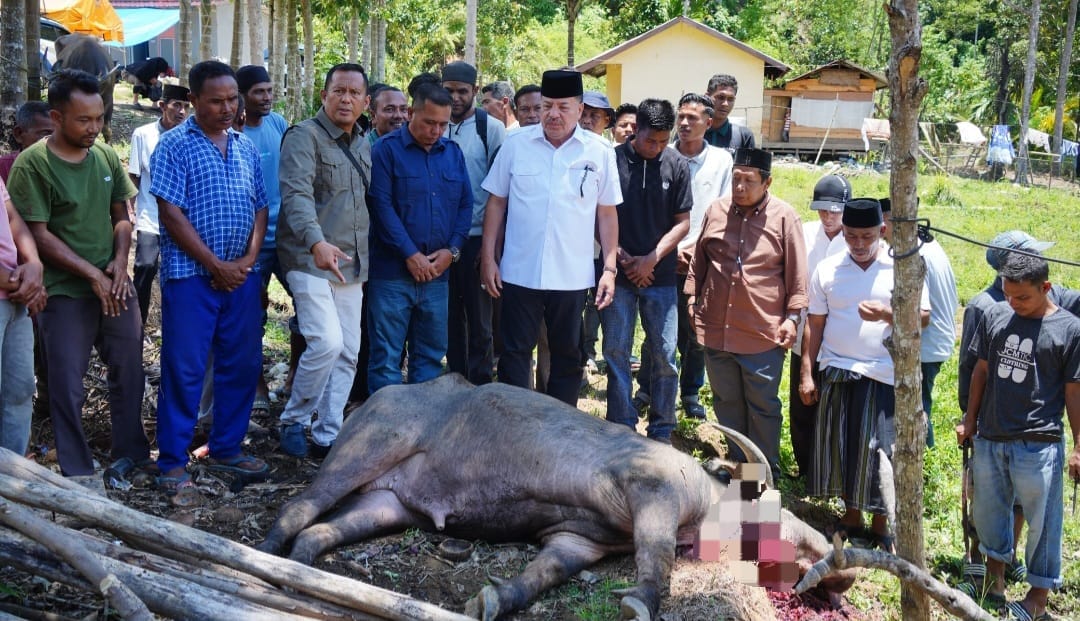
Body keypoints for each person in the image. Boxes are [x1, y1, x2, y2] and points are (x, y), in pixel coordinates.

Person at [7, 69, 151, 483]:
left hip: (113, 284)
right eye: (83, 120)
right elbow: (38, 234)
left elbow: (121, 216)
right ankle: (77, 469)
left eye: (100, 117)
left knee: (129, 368)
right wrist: (91, 274)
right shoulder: (32, 165)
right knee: (66, 382)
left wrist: (119, 264)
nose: (94, 127)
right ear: (56, 117)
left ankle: (131, 453)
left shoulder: (105, 156)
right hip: (65, 290)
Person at [149, 60, 269, 506]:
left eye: (231, 99)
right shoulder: (174, 146)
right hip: (191, 277)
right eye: (215, 100)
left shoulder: (245, 147)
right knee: (185, 368)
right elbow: (170, 213)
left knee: (241, 363)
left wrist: (248, 259)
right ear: (193, 100)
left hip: (241, 275)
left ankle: (226, 448)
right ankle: (172, 462)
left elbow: (261, 206)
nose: (226, 108)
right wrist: (215, 264)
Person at [480, 69, 621, 407]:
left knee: (567, 355)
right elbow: (496, 203)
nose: (553, 114)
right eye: (546, 106)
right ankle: (515, 424)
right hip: (518, 271)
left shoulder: (600, 151)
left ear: (580, 108)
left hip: (571, 275)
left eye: (563, 107)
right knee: (514, 353)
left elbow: (606, 213)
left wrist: (610, 269)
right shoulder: (516, 145)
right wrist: (488, 258)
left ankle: (561, 426)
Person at [799, 198, 929, 552]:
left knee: (880, 450)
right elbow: (815, 324)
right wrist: (807, 373)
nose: (858, 243)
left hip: (885, 373)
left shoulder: (902, 267)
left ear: (882, 231)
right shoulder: (828, 270)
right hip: (839, 369)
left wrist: (889, 315)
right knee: (844, 446)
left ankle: (882, 522)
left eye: (866, 236)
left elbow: (925, 316)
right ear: (842, 232)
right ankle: (852, 515)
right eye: (852, 235)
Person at [956, 251, 1080, 621]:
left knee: (1043, 522)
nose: (1014, 303)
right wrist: (971, 420)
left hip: (1038, 442)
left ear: (1045, 287)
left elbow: (1075, 391)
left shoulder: (1070, 329)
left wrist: (1079, 446)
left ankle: (1037, 598)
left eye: (1023, 297)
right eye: (1008, 295)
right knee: (990, 512)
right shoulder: (995, 314)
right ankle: (994, 580)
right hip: (992, 435)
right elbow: (980, 372)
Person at [684, 148, 806, 476]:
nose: (739, 187)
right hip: (717, 332)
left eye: (748, 181)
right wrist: (693, 301)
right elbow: (699, 262)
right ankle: (738, 469)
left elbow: (798, 278)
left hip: (761, 335)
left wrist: (793, 319)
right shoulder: (716, 211)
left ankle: (761, 480)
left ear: (767, 182)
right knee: (727, 406)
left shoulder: (784, 217)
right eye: (736, 179)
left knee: (763, 409)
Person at [276, 63, 371, 458]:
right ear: (324, 95)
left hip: (351, 262)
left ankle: (328, 433)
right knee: (326, 342)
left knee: (349, 349)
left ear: (366, 102)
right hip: (308, 258)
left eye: (354, 93)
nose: (346, 99)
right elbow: (296, 196)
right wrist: (317, 243)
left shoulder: (365, 141)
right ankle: (294, 420)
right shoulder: (303, 136)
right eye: (338, 91)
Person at [366, 83, 472, 394]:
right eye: (429, 122)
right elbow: (380, 207)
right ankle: (386, 434)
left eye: (443, 124)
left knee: (429, 358)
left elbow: (466, 205)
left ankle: (420, 434)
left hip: (437, 276)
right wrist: (410, 255)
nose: (436, 130)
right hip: (392, 275)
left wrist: (452, 251)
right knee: (386, 360)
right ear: (411, 113)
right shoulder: (385, 151)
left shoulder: (452, 154)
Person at [636, 93, 733, 421]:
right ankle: (646, 389)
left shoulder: (721, 161)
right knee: (657, 329)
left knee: (695, 332)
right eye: (682, 117)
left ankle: (691, 393)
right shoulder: (661, 152)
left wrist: (695, 249)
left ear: (709, 122)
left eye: (694, 118)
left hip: (703, 259)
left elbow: (723, 210)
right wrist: (669, 250)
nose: (686, 123)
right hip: (663, 257)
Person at [602, 99, 690, 442]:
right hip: (617, 274)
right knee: (615, 351)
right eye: (649, 140)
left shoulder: (676, 165)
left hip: (660, 277)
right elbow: (598, 213)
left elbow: (683, 223)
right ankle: (621, 425)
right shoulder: (610, 160)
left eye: (662, 141)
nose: (656, 148)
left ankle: (662, 429)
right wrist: (622, 256)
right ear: (633, 129)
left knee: (665, 354)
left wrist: (651, 259)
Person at [442, 61, 505, 385]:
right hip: (440, 241)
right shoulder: (435, 123)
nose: (455, 97)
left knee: (480, 320)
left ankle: (480, 384)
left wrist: (491, 248)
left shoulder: (490, 129)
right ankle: (454, 380)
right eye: (448, 90)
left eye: (462, 91)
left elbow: (502, 192)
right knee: (449, 316)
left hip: (479, 237)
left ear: (475, 92)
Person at [234, 65, 291, 414]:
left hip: (285, 236)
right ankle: (257, 387)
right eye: (259, 92)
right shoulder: (233, 133)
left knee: (307, 304)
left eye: (269, 90)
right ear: (241, 95)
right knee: (252, 314)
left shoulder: (279, 125)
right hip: (249, 242)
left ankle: (295, 376)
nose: (267, 97)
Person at [878, 197, 957, 448]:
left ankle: (925, 462)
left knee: (915, 408)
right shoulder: (927, 243)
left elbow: (920, 316)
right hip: (937, 339)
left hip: (926, 343)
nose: (880, 232)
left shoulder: (913, 252)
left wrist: (880, 314)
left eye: (882, 224)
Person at [788, 174, 850, 478]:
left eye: (834, 211)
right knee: (801, 407)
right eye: (822, 210)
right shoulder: (805, 233)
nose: (828, 217)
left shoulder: (855, 240)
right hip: (803, 334)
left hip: (838, 340)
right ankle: (805, 469)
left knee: (833, 412)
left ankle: (830, 475)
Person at [128, 84, 190, 325]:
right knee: (144, 266)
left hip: (184, 219)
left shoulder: (192, 137)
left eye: (186, 106)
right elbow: (134, 175)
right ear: (163, 106)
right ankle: (136, 324)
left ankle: (178, 326)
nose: (182, 112)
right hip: (150, 216)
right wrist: (129, 210)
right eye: (176, 105)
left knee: (180, 276)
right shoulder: (143, 135)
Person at [0, 175, 47, 456]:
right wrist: (24, 283)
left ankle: (12, 480)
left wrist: (34, 265)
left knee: (19, 390)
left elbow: (14, 219)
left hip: (15, 300)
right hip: (14, 288)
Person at [0, 102, 53, 182]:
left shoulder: (65, 167)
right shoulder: (3, 167)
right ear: (19, 133)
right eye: (46, 133)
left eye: (59, 135)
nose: (56, 141)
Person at [703, 74, 755, 152]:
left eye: (730, 99)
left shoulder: (744, 136)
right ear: (707, 96)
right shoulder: (690, 132)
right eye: (720, 97)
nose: (725, 104)